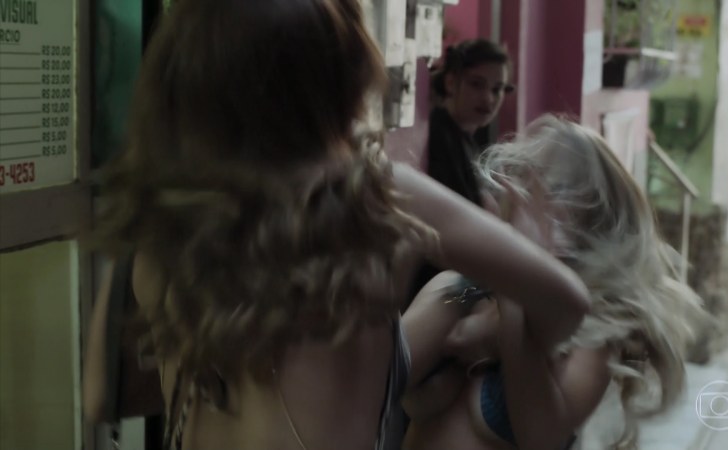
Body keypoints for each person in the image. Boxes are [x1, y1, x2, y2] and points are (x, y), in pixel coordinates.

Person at [82, 3, 590, 450]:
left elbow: (101, 395)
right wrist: (500, 328)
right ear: (339, 75)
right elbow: (565, 299)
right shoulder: (374, 193)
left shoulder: (165, 211)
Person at [402, 115, 710, 450]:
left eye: (557, 195)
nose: (537, 209)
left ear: (594, 220)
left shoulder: (595, 330)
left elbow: (541, 437)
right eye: (528, 187)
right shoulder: (465, 290)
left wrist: (513, 286)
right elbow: (382, 373)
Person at [410, 39, 515, 305]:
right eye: (476, 84)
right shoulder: (441, 135)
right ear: (451, 82)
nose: (489, 99)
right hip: (434, 290)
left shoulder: (467, 140)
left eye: (497, 89)